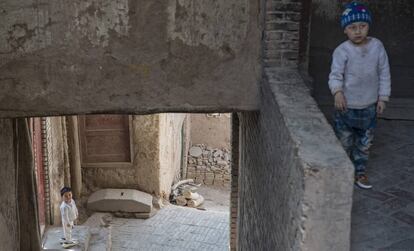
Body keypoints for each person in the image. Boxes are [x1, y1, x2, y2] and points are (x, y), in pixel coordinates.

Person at [329, 2, 391, 189]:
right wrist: (337, 92)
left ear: (368, 26)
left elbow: (384, 73)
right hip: (346, 107)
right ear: (345, 30)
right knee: (344, 141)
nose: (358, 31)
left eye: (362, 26)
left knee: (364, 144)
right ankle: (341, 174)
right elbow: (335, 75)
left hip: (369, 107)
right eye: (352, 27)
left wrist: (383, 98)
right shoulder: (342, 51)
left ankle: (360, 173)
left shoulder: (377, 47)